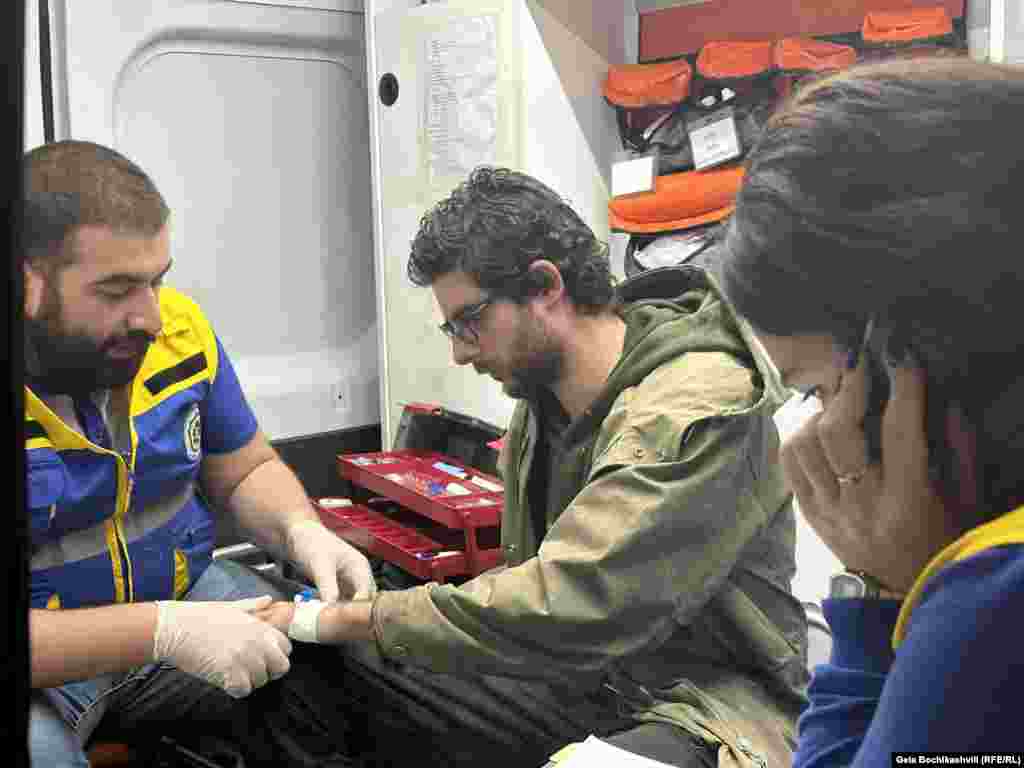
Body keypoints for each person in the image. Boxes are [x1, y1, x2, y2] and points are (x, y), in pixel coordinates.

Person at [255, 167, 809, 768]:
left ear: (545, 286)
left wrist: (352, 618)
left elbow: (572, 601)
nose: (459, 351)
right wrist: (325, 627)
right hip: (581, 684)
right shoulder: (541, 411)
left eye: (469, 322)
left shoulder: (696, 401)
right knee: (304, 671)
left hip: (710, 709)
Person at [24, 139, 374, 765]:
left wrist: (301, 532)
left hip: (187, 597)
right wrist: (162, 632)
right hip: (51, 668)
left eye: (157, 279)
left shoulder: (179, 332)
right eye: (116, 290)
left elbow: (244, 468)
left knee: (335, 657)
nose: (152, 316)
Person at [718, 56, 1024, 764]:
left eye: (819, 389)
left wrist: (881, 588)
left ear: (904, 359)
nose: (819, 428)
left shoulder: (992, 595)